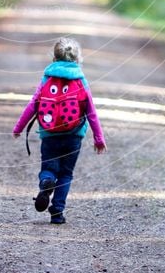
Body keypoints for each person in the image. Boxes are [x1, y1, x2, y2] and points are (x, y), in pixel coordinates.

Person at [13, 36, 107, 224]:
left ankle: (46, 182)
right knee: (65, 173)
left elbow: (33, 105)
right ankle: (57, 212)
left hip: (50, 135)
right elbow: (91, 112)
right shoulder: (81, 80)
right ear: (78, 58)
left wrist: (19, 127)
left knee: (49, 168)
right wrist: (98, 139)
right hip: (74, 136)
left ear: (54, 57)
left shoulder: (48, 78)